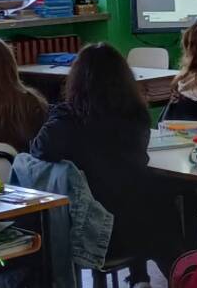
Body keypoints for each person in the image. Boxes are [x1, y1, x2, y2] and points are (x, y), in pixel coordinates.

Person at [30, 43, 182, 288]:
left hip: (90, 232)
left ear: (76, 81)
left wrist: (59, 112)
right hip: (138, 228)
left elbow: (38, 149)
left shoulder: (68, 123)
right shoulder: (137, 117)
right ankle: (178, 275)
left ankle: (143, 277)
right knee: (162, 204)